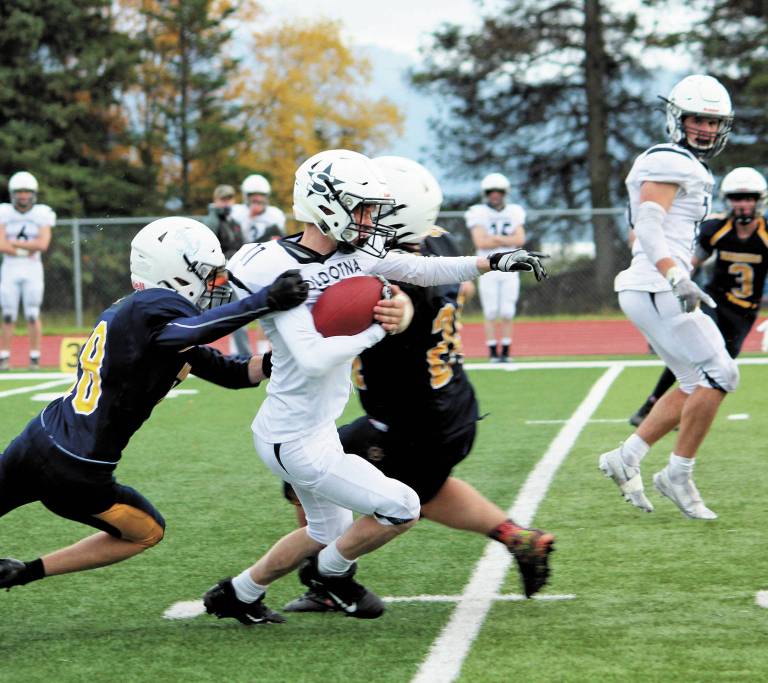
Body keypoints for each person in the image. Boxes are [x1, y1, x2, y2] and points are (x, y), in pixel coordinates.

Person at [0, 217, 309, 593]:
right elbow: (190, 330)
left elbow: (237, 374)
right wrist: (263, 301)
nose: (217, 284)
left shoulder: (138, 317)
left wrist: (283, 357)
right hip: (79, 470)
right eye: (209, 274)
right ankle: (26, 571)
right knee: (147, 532)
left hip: (38, 438)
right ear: (175, 274)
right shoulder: (162, 310)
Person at [202, 149, 547, 625]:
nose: (371, 220)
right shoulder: (268, 263)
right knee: (403, 505)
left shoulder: (356, 254)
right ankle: (331, 578)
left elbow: (423, 272)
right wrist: (376, 330)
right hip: (295, 434)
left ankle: (238, 593)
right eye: (362, 207)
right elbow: (303, 350)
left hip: (321, 425)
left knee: (328, 529)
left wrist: (493, 261)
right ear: (325, 205)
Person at [600, 74, 736, 521]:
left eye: (714, 123)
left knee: (693, 382)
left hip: (650, 285)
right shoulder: (669, 161)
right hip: (659, 286)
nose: (706, 130)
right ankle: (678, 473)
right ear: (677, 118)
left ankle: (628, 455)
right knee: (722, 373)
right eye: (698, 119)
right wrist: (676, 274)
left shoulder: (679, 163)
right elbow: (651, 227)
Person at [628, 166, 768, 427]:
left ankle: (687, 411)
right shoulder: (716, 229)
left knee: (723, 368)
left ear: (760, 199)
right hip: (715, 301)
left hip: (745, 313)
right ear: (728, 200)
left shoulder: (765, 234)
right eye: (738, 198)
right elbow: (690, 264)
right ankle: (652, 404)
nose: (743, 204)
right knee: (697, 351)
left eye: (749, 197)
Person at [0, 171, 54, 370]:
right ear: (12, 194)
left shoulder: (42, 213)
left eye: (27, 191)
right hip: (10, 268)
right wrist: (28, 247)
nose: (23, 196)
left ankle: (35, 358)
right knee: (8, 313)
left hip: (32, 268)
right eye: (19, 192)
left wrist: (14, 244)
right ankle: (4, 358)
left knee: (32, 313)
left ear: (34, 193)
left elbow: (43, 244)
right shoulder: (3, 213)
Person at [464, 173, 527, 362]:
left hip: (510, 266)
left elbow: (520, 239)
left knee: (508, 311)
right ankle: (492, 351)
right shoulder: (477, 212)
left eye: (499, 191)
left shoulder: (515, 211)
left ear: (505, 192)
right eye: (491, 191)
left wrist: (496, 240)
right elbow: (480, 242)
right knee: (491, 311)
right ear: (486, 193)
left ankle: (506, 350)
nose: (495, 195)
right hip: (487, 267)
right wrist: (505, 240)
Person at [204, 184, 251, 355]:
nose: (226, 203)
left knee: (233, 317)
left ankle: (245, 357)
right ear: (215, 200)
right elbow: (208, 252)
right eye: (223, 199)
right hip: (217, 277)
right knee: (208, 319)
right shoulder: (212, 222)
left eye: (229, 199)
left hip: (230, 276)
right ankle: (245, 358)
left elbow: (242, 247)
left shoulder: (233, 221)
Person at [230, 174, 286, 244]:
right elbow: (235, 240)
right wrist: (250, 217)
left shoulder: (275, 214)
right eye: (253, 195)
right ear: (246, 196)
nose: (257, 198)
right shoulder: (236, 212)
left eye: (261, 195)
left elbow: (280, 240)